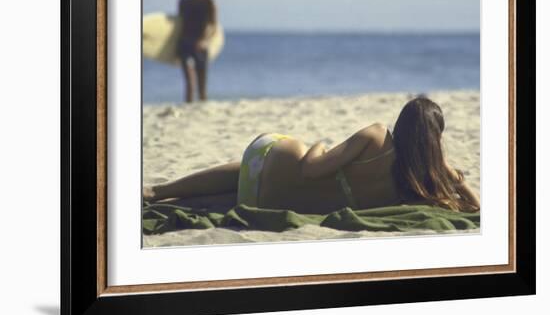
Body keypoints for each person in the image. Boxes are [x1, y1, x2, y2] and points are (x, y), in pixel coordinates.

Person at [143, 97, 480, 214]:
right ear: (434, 143)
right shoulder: (416, 183)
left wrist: (318, 144)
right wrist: (444, 168)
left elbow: (311, 169)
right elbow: (475, 206)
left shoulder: (378, 135)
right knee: (234, 194)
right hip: (278, 201)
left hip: (276, 163)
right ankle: (164, 201)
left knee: (250, 170)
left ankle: (157, 191)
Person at [177, 0, 217, 103]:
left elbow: (213, 26)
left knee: (202, 86)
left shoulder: (208, 2)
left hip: (200, 45)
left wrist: (205, 41)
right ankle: (188, 111)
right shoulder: (183, 1)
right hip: (185, 44)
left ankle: (201, 112)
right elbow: (179, 25)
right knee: (189, 82)